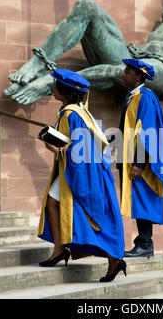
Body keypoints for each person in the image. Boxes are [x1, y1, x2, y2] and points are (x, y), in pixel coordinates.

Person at [4, 0, 163, 104]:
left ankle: (51, 81)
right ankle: (39, 63)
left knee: (125, 70)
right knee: (87, 6)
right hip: (138, 53)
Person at [37, 68, 126, 282]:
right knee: (52, 204)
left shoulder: (70, 114)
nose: (53, 90)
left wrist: (54, 146)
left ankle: (113, 258)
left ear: (65, 91)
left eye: (56, 87)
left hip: (78, 172)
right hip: (86, 169)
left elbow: (75, 148)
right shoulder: (80, 111)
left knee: (89, 215)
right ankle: (59, 249)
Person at [115, 59, 163, 258]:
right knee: (138, 200)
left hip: (140, 162)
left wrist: (138, 163)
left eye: (127, 71)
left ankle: (145, 243)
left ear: (138, 75)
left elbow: (147, 132)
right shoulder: (132, 97)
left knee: (142, 200)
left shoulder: (146, 98)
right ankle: (143, 243)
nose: (123, 74)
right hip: (129, 158)